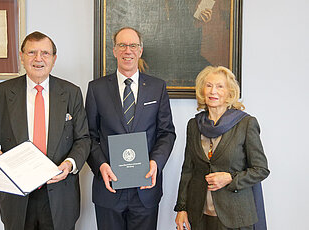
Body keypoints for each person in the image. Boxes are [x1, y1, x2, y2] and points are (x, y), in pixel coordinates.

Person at [0, 31, 90, 230]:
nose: (38, 59)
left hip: (59, 193)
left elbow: (83, 139)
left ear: (54, 59)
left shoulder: (71, 92)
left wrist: (69, 164)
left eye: (45, 53)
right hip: (17, 194)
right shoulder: (2, 92)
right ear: (22, 56)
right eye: (32, 52)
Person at [85, 27, 176, 230]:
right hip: (109, 187)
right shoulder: (96, 88)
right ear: (114, 50)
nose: (128, 50)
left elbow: (166, 133)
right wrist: (101, 166)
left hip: (145, 188)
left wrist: (156, 162)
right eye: (122, 45)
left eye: (133, 45)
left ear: (140, 50)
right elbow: (88, 135)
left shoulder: (157, 87)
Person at [174, 66, 270, 230]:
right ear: (202, 90)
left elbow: (261, 169)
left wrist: (230, 178)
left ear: (230, 93)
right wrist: (182, 208)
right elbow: (188, 170)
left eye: (220, 86)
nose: (213, 91)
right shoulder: (194, 125)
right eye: (209, 85)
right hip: (199, 214)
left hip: (235, 216)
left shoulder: (246, 124)